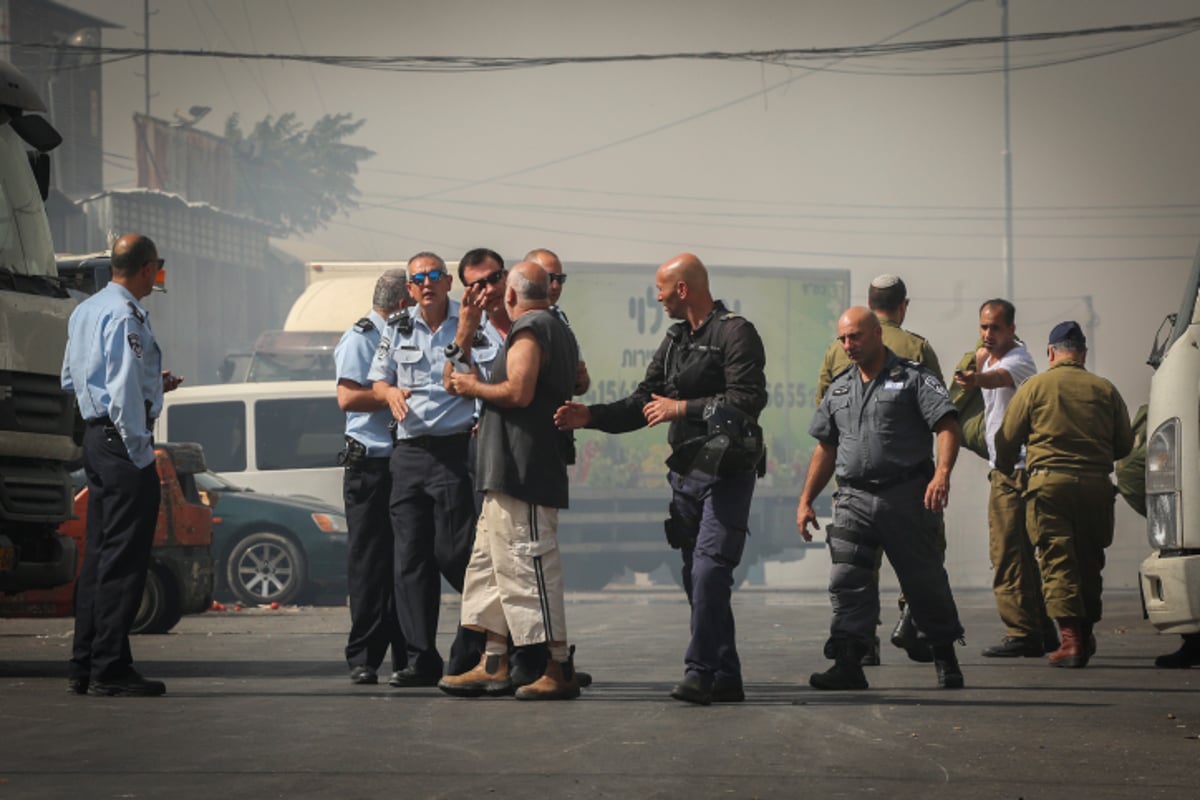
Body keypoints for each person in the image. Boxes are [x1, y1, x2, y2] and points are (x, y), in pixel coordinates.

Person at [555, 253, 767, 706]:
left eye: (662, 288)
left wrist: (683, 409)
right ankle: (726, 673)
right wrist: (589, 416)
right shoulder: (674, 342)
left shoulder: (735, 332)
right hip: (687, 475)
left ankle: (699, 671)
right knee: (696, 576)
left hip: (728, 473)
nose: (658, 296)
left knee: (710, 572)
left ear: (683, 289)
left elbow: (747, 401)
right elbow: (641, 403)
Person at [796, 307, 965, 691]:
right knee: (847, 582)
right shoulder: (839, 388)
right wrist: (806, 499)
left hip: (906, 496)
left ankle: (945, 657)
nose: (848, 345)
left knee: (924, 581)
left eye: (855, 336)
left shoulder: (913, 378)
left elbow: (947, 425)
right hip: (853, 499)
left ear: (877, 334)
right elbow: (826, 447)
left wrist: (941, 474)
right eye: (842, 339)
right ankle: (849, 663)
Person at [438, 262, 582, 700]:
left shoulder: (533, 328)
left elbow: (518, 391)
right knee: (491, 568)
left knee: (530, 568)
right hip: (505, 471)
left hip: (525, 472)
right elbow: (456, 380)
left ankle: (558, 668)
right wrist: (465, 331)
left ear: (513, 295)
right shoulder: (545, 325)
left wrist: (475, 389)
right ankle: (493, 661)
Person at [368, 251, 501, 686]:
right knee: (410, 559)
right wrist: (388, 394)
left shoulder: (472, 323)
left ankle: (478, 643)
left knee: (455, 553)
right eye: (417, 278)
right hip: (407, 453)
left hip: (452, 450)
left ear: (448, 283)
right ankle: (419, 657)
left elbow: (495, 370)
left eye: (434, 276)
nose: (426, 284)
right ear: (409, 289)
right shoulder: (397, 325)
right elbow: (379, 379)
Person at [61, 233, 182, 697]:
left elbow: (71, 378)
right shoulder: (125, 314)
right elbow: (126, 384)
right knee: (125, 560)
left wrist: (153, 388)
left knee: (99, 557)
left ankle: (85, 662)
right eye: (159, 269)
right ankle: (109, 668)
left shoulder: (85, 310)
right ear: (148, 267)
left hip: (95, 438)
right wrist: (137, 448)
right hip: (121, 445)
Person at [815, 274, 944, 666]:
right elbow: (938, 410)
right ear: (903, 305)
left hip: (854, 482)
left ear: (871, 308)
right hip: (909, 482)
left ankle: (862, 643)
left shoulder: (837, 350)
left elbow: (827, 415)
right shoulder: (917, 348)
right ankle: (913, 621)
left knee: (855, 567)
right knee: (920, 560)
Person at [994, 320, 1133, 668]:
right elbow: (1125, 444)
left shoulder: (1034, 387)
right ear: (1083, 353)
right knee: (1089, 561)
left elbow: (1007, 440)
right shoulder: (1105, 389)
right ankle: (1084, 635)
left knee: (1058, 560)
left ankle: (1070, 640)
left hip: (1049, 487)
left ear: (1051, 353)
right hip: (1097, 486)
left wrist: (1009, 467)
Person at [952, 299, 1056, 658]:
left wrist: (976, 377)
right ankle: (1043, 631)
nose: (987, 334)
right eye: (983, 327)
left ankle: (1022, 632)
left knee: (1008, 553)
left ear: (1012, 329)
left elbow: (1001, 378)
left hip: (1020, 469)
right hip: (1006, 465)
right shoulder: (986, 355)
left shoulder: (1019, 360)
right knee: (1021, 554)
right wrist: (979, 363)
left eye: (995, 328)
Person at [336, 268, 411, 685]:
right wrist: (394, 397)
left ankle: (407, 654)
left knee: (406, 562)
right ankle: (363, 656)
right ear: (402, 302)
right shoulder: (362, 336)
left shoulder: (407, 335)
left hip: (403, 460)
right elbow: (347, 397)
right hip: (370, 463)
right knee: (369, 564)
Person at [526, 247, 590, 395]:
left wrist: (580, 378)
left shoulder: (559, 318)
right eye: (549, 278)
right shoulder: (510, 318)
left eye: (560, 280)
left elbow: (581, 385)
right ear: (528, 277)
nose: (555, 286)